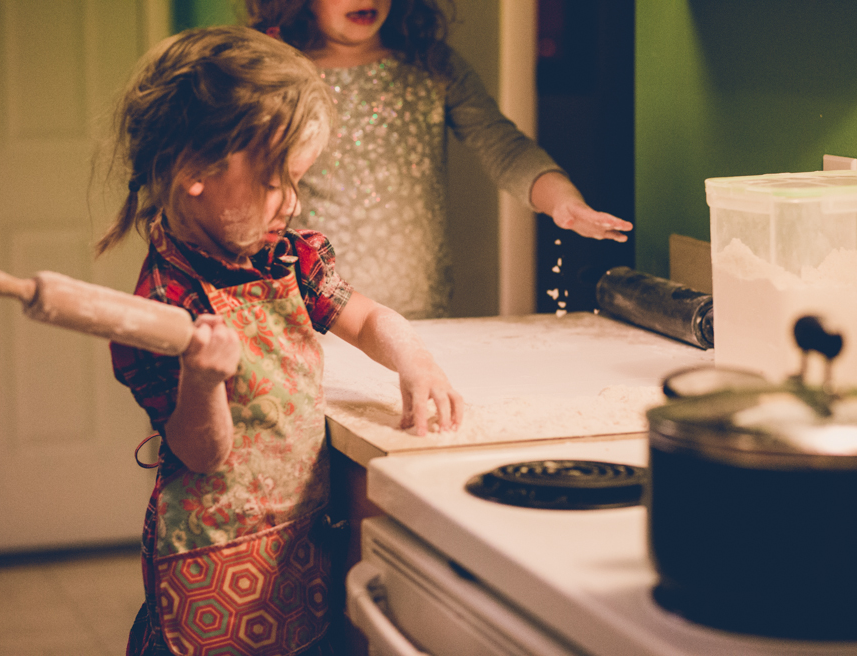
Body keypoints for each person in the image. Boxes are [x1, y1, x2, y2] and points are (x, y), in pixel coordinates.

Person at [96, 25, 463, 655]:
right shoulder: (163, 306)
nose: (292, 204)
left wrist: (414, 358)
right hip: (213, 565)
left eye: (299, 182)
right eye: (275, 183)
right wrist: (205, 379)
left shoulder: (286, 258)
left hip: (297, 542)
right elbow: (201, 452)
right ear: (195, 173)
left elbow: (365, 316)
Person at [245, 0, 633, 319]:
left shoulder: (433, 65)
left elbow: (504, 146)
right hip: (312, 307)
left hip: (419, 310)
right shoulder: (279, 72)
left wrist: (564, 202)